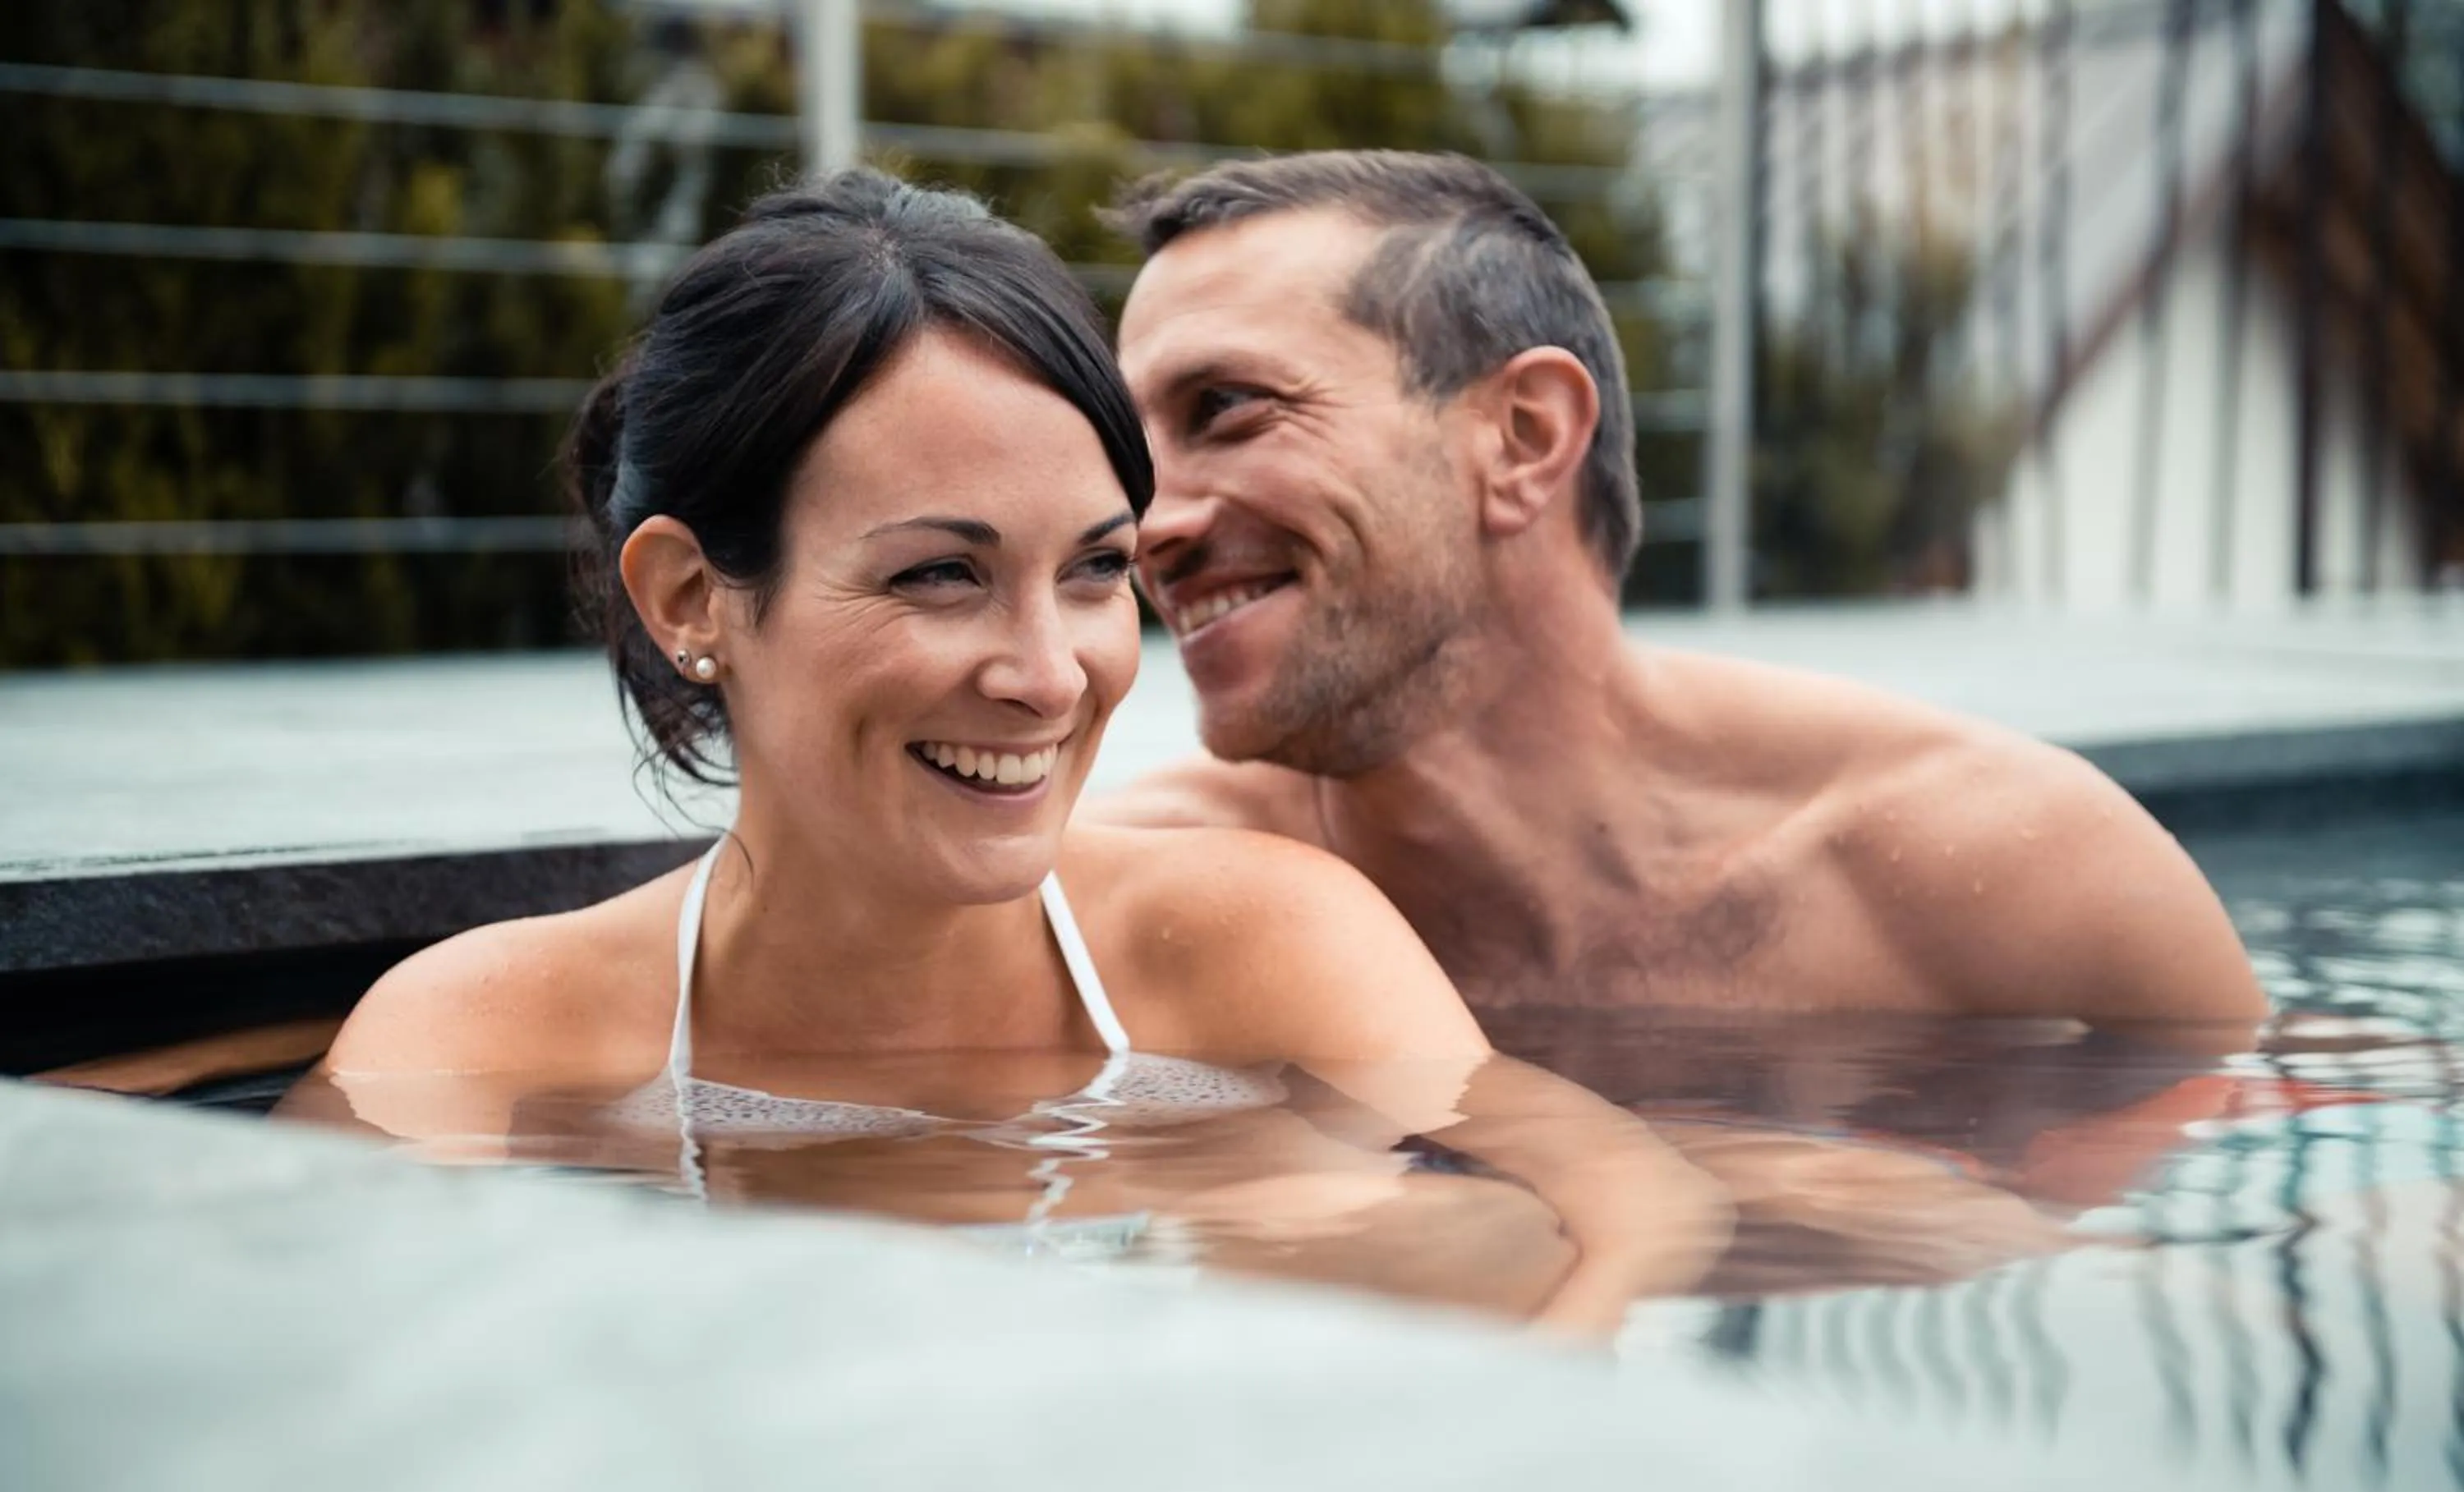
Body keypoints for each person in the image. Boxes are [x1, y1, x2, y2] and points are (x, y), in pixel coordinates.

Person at [298, 170, 1722, 1334]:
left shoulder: (1256, 943)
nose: (1051, 677)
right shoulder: (487, 1043)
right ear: (691, 600)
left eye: (1096, 573)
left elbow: (1625, 1193)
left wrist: (1559, 1395)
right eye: (938, 576)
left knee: (1383, 1221)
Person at [1089, 150, 2269, 1026]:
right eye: (1137, 461)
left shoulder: (2000, 868)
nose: (1151, 528)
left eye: (1228, 411)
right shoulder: (1150, 895)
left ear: (1525, 437)